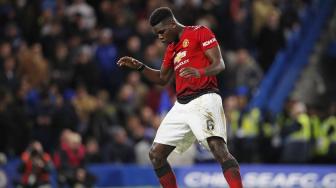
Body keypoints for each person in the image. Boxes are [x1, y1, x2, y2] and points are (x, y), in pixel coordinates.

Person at [117, 7, 243, 188]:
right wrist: (140, 67)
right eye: (156, 34)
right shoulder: (171, 48)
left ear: (171, 24)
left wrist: (199, 71)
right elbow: (162, 78)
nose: (160, 37)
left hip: (205, 98)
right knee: (156, 155)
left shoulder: (200, 32)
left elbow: (219, 64)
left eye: (162, 32)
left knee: (218, 149)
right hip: (182, 105)